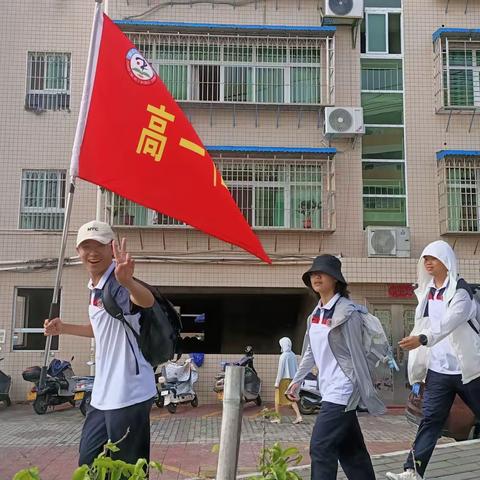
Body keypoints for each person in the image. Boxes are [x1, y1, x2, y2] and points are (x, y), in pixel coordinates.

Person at [44, 220, 157, 466]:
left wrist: (129, 282)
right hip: (103, 392)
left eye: (99, 246)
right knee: (89, 461)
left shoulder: (117, 282)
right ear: (78, 251)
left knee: (128, 468)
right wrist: (63, 328)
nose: (92, 253)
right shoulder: (95, 286)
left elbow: (146, 302)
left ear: (111, 248)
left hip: (129, 391)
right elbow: (100, 330)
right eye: (86, 246)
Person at [386, 240, 480, 480]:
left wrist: (422, 339)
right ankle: (412, 470)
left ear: (446, 261)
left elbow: (449, 323)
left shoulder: (461, 291)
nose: (427, 262)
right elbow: (424, 324)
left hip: (468, 369)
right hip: (439, 371)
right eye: (425, 259)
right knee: (430, 421)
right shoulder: (428, 293)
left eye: (433, 258)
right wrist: (419, 364)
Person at [286, 254, 385, 480]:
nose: (316, 276)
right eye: (313, 273)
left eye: (322, 272)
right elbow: (310, 352)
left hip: (343, 389)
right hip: (328, 387)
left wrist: (358, 387)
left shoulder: (348, 313)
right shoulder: (316, 315)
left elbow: (358, 354)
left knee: (321, 447)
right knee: (351, 451)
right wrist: (297, 379)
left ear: (336, 279)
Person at [271, 336, 303, 424]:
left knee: (277, 399)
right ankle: (299, 416)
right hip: (292, 380)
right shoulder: (293, 355)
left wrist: (277, 382)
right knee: (291, 398)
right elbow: (297, 368)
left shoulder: (283, 356)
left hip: (283, 380)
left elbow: (280, 370)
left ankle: (277, 418)